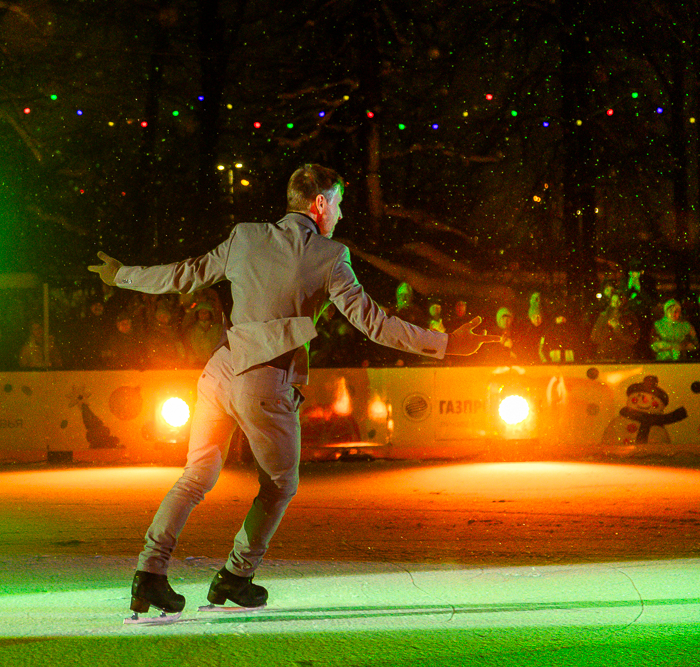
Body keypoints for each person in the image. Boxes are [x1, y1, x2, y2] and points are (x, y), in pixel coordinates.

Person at [88, 163, 499, 619]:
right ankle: (236, 576)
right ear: (320, 204)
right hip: (265, 379)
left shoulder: (245, 236)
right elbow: (375, 324)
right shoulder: (329, 255)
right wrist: (446, 344)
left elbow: (185, 274)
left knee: (196, 476)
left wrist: (123, 274)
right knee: (281, 483)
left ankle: (150, 572)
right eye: (338, 204)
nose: (340, 215)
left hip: (219, 370)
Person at [591, 290, 640, 362]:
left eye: (619, 301)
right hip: (605, 356)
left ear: (624, 302)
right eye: (614, 301)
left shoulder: (630, 317)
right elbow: (594, 337)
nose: (616, 304)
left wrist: (617, 328)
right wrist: (608, 328)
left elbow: (633, 339)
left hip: (623, 356)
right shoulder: (603, 316)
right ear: (610, 302)